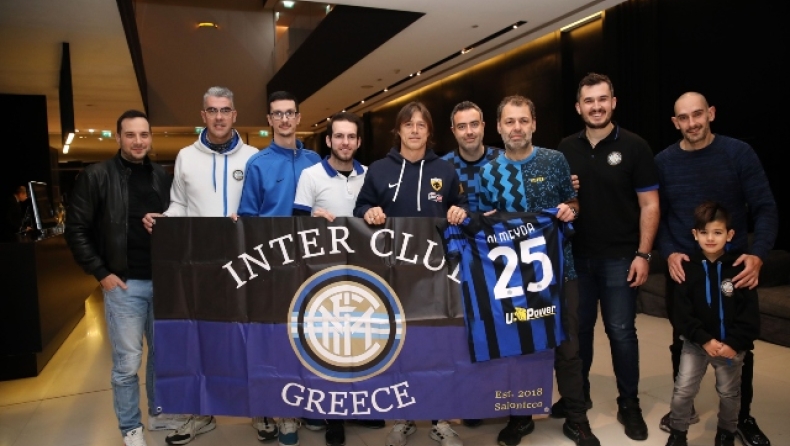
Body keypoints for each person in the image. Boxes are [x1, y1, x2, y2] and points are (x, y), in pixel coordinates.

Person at [655, 92, 777, 446]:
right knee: (683, 339)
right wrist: (669, 253)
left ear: (711, 113)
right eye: (683, 117)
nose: (692, 123)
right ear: (675, 122)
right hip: (685, 268)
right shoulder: (663, 161)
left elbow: (765, 206)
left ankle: (741, 417)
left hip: (733, 266)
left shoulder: (738, 153)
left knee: (738, 344)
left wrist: (758, 254)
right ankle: (684, 411)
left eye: (698, 114)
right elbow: (657, 215)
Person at [478, 95, 599, 446]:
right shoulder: (488, 172)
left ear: (533, 123)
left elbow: (573, 201)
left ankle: (577, 419)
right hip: (513, 280)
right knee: (520, 348)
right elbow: (486, 221)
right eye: (509, 121)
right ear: (499, 127)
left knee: (568, 346)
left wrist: (570, 210)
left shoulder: (555, 160)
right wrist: (486, 221)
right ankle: (520, 418)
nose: (516, 128)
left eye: (523, 120)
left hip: (560, 271)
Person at [141, 86, 259, 445]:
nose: (219, 117)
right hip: (201, 264)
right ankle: (200, 413)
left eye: (225, 110)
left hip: (248, 263)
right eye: (212, 110)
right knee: (201, 338)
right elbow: (179, 204)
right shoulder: (185, 157)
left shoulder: (253, 156)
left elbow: (261, 206)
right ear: (203, 115)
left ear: (234, 115)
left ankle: (261, 411)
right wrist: (165, 219)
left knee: (249, 337)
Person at [353, 101, 468, 446]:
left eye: (421, 124)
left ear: (429, 131)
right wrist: (368, 212)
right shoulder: (379, 170)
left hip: (437, 274)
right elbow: (360, 207)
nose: (415, 130)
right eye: (408, 124)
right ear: (399, 130)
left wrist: (459, 212)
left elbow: (461, 206)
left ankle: (440, 419)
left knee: (438, 346)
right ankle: (402, 418)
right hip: (393, 274)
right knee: (400, 345)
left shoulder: (446, 169)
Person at [556, 73, 659, 441]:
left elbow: (650, 205)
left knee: (621, 332)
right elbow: (558, 204)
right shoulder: (564, 149)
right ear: (578, 107)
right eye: (589, 101)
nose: (596, 106)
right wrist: (567, 193)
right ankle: (578, 396)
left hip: (621, 258)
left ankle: (629, 403)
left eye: (602, 99)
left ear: (613, 102)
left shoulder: (635, 146)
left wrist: (643, 254)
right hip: (576, 259)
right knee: (578, 332)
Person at [64, 110, 173, 446]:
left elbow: (175, 219)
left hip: (163, 281)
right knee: (127, 364)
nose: (138, 141)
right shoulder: (97, 176)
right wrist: (101, 273)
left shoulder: (161, 175)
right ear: (118, 138)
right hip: (124, 284)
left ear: (151, 137)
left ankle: (157, 413)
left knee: (162, 357)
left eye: (144, 134)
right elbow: (76, 228)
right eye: (130, 135)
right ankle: (131, 429)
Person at [292, 111, 388, 445]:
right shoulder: (310, 175)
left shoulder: (371, 175)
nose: (345, 142)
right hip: (324, 273)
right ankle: (333, 416)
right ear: (329, 140)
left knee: (363, 341)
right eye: (339, 136)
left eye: (351, 137)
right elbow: (296, 221)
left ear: (358, 141)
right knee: (330, 345)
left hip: (366, 271)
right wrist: (311, 216)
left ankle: (361, 406)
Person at [237, 90, 321, 446]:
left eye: (290, 113)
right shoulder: (258, 163)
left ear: (299, 118)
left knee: (309, 337)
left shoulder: (316, 161)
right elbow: (248, 219)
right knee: (277, 341)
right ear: (269, 120)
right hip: (274, 267)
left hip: (312, 264)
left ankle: (309, 402)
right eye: (278, 114)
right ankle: (284, 412)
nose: (285, 119)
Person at [665, 202, 760, 446]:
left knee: (729, 394)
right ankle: (678, 433)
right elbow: (681, 315)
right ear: (695, 234)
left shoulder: (740, 269)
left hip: (730, 348)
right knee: (683, 390)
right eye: (704, 232)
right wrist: (704, 340)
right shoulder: (686, 268)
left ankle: (726, 434)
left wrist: (733, 343)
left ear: (730, 234)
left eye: (717, 232)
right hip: (695, 344)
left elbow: (750, 316)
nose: (710, 238)